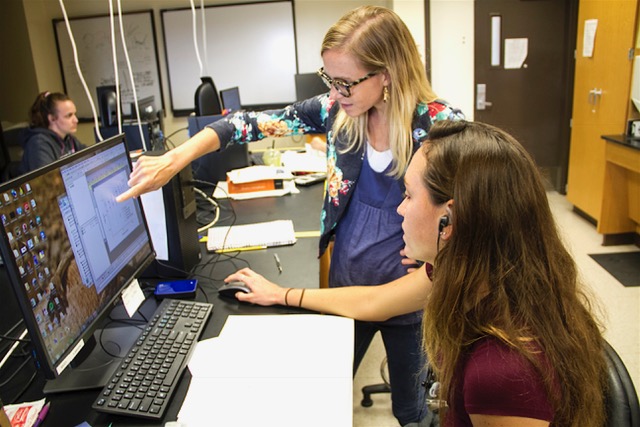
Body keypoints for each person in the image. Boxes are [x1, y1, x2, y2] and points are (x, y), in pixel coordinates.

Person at [118, 6, 463, 426]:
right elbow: (244, 125)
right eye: (328, 80)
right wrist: (174, 159)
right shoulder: (338, 112)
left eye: (345, 82)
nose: (334, 94)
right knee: (320, 387)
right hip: (346, 285)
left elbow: (468, 210)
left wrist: (440, 250)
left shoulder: (439, 125)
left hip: (409, 297)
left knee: (413, 410)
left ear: (386, 73)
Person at [225, 120, 609, 427]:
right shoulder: (476, 271)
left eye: (407, 195)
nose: (398, 211)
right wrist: (282, 294)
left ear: (450, 220)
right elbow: (374, 300)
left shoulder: (501, 370)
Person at [20, 91, 86, 174]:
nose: (76, 120)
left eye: (74, 114)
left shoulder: (68, 139)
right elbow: (48, 181)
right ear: (52, 118)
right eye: (69, 116)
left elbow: (90, 157)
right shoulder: (38, 144)